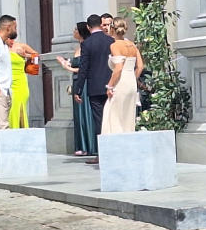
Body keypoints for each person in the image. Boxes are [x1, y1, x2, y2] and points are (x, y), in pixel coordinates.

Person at [73, 14, 114, 160]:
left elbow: (84, 68)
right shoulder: (111, 40)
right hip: (111, 85)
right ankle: (113, 150)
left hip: (95, 87)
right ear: (100, 24)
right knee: (111, 118)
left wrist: (77, 89)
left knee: (99, 120)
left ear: (89, 27)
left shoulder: (87, 44)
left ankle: (101, 153)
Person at [100, 18, 143, 135]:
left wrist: (109, 86)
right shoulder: (132, 45)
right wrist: (132, 79)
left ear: (112, 29)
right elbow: (140, 67)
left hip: (121, 82)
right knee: (128, 115)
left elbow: (118, 68)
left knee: (113, 113)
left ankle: (115, 145)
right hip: (131, 82)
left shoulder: (115, 45)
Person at [56, 21, 93, 155]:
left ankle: (88, 146)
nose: (73, 31)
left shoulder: (86, 47)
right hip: (77, 81)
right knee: (78, 115)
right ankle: (81, 145)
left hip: (84, 82)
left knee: (85, 113)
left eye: (75, 29)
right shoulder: (79, 47)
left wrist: (66, 66)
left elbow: (84, 68)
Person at [7, 32, 39, 129]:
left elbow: (37, 56)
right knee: (10, 110)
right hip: (7, 82)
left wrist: (25, 55)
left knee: (19, 108)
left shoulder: (21, 46)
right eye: (9, 38)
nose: (11, 41)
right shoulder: (2, 48)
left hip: (20, 82)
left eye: (13, 38)